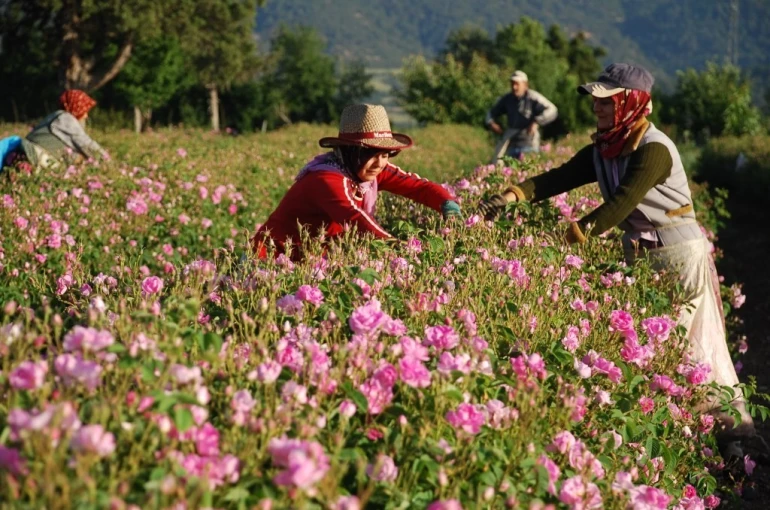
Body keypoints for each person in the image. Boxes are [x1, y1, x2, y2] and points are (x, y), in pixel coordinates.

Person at [477, 63, 755, 452]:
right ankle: (700, 432)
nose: (596, 106)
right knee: (667, 348)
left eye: (606, 100)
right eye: (595, 99)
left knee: (685, 346)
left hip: (676, 255)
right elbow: (559, 177)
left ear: (631, 102)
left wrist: (568, 239)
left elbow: (621, 203)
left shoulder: (653, 148)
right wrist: (510, 196)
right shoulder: (607, 147)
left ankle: (727, 434)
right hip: (646, 256)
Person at [251, 104, 462, 260]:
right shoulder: (325, 179)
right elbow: (354, 217)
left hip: (311, 262)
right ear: (349, 151)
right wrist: (399, 248)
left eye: (387, 154)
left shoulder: (368, 169)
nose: (380, 163)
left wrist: (448, 205)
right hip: (269, 261)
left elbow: (419, 187)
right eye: (370, 153)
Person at [2, 89, 109, 172]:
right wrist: (107, 161)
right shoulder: (66, 119)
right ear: (75, 107)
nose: (86, 116)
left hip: (26, 153)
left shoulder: (55, 115)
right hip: (36, 157)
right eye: (84, 111)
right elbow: (86, 144)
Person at [486, 70, 558, 163]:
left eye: (517, 84)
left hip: (529, 144)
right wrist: (491, 123)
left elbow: (552, 109)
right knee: (506, 169)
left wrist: (537, 121)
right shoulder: (507, 99)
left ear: (525, 84)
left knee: (528, 171)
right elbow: (490, 113)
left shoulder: (533, 97)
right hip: (511, 144)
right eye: (512, 84)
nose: (514, 87)